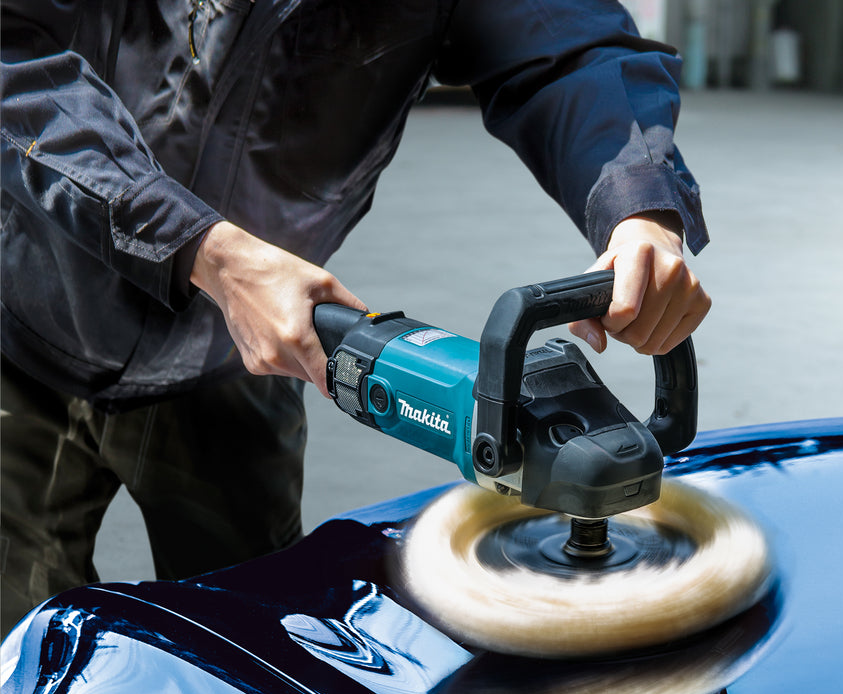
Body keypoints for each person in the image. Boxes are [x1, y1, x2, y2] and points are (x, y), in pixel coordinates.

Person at [0, 0, 711, 637]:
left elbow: (572, 45)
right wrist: (200, 248)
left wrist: (640, 204)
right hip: (26, 328)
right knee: (14, 661)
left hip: (252, 352)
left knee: (257, 657)